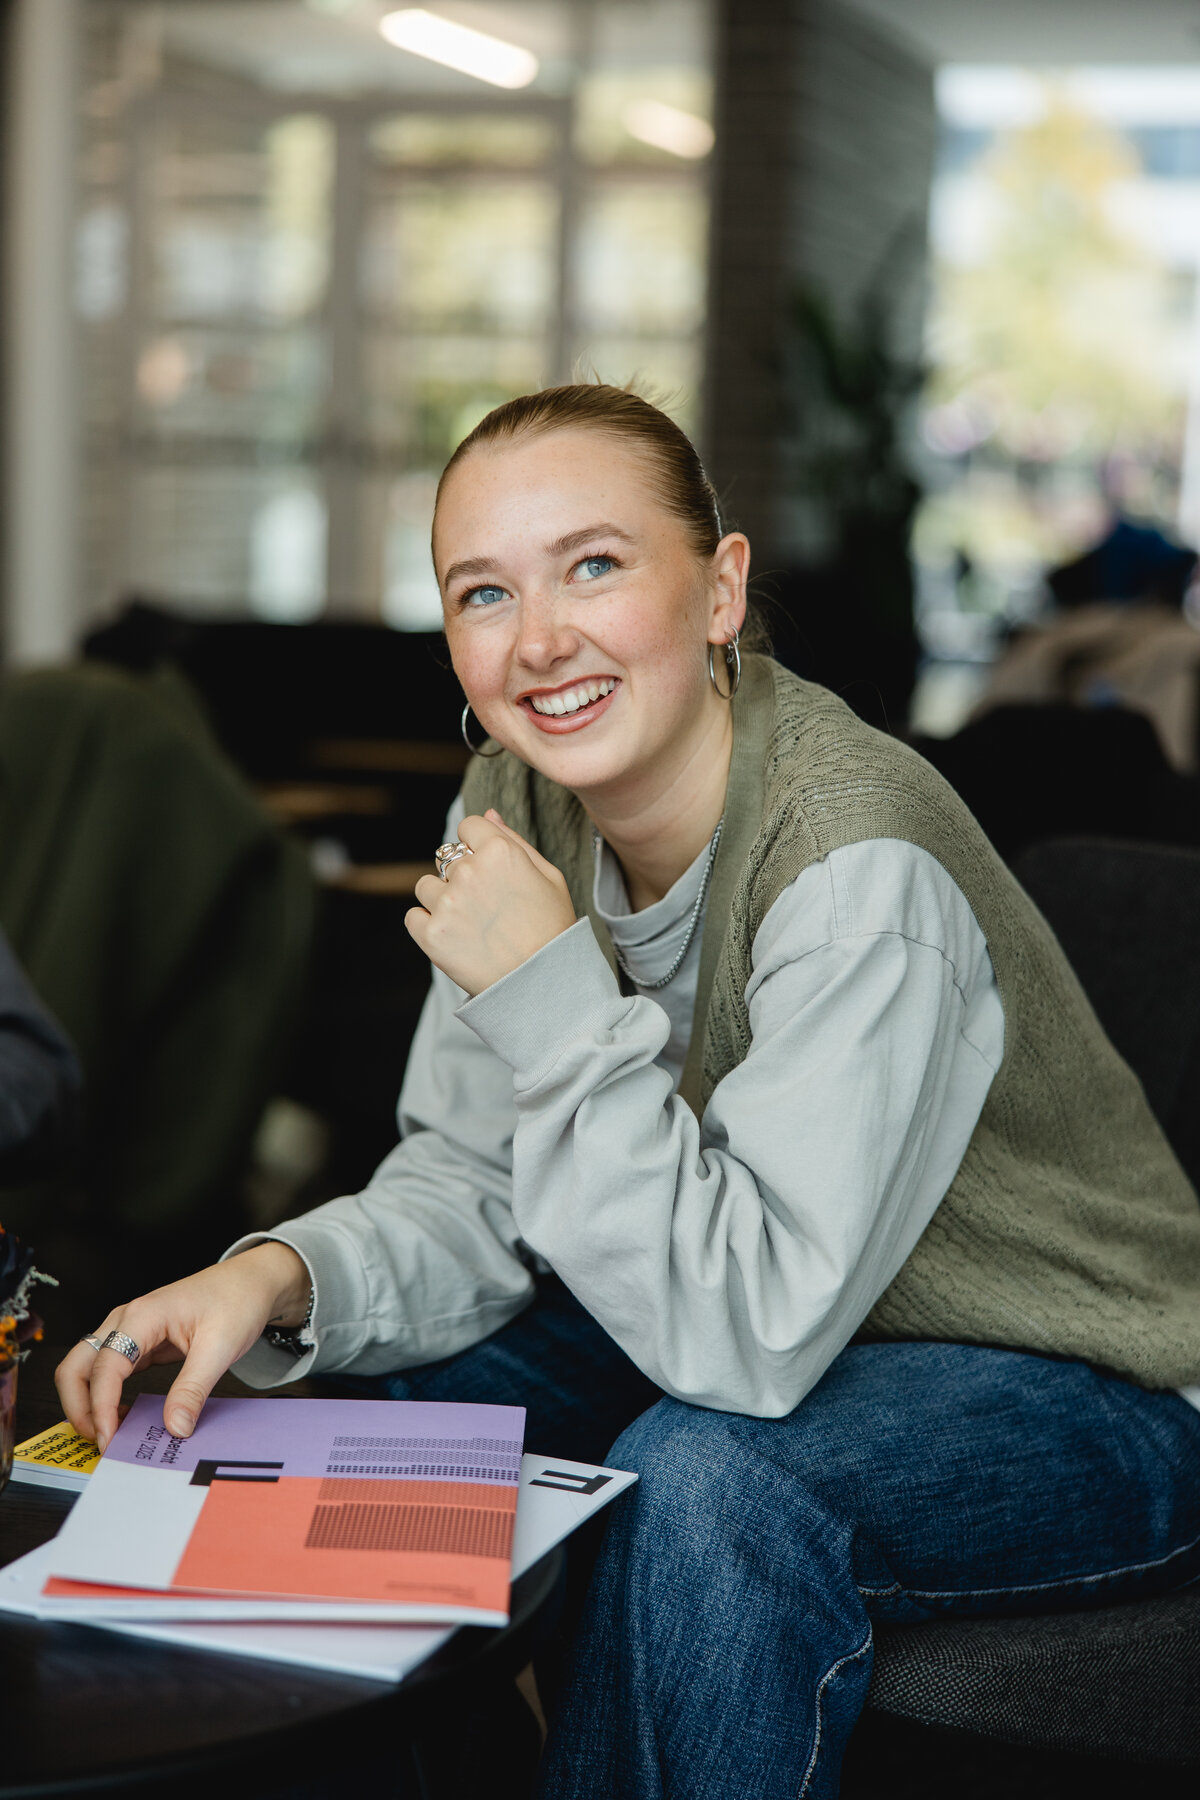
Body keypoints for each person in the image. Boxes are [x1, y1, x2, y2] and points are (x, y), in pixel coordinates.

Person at [58, 385, 1200, 1799]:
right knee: (348, 1418)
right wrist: (286, 1274)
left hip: (1086, 1379)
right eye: (485, 592)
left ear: (720, 591)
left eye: (594, 564)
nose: (539, 640)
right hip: (763, 1319)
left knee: (713, 1481)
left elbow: (747, 1342)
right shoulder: (510, 805)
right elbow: (479, 1185)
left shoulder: (857, 869)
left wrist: (549, 996)